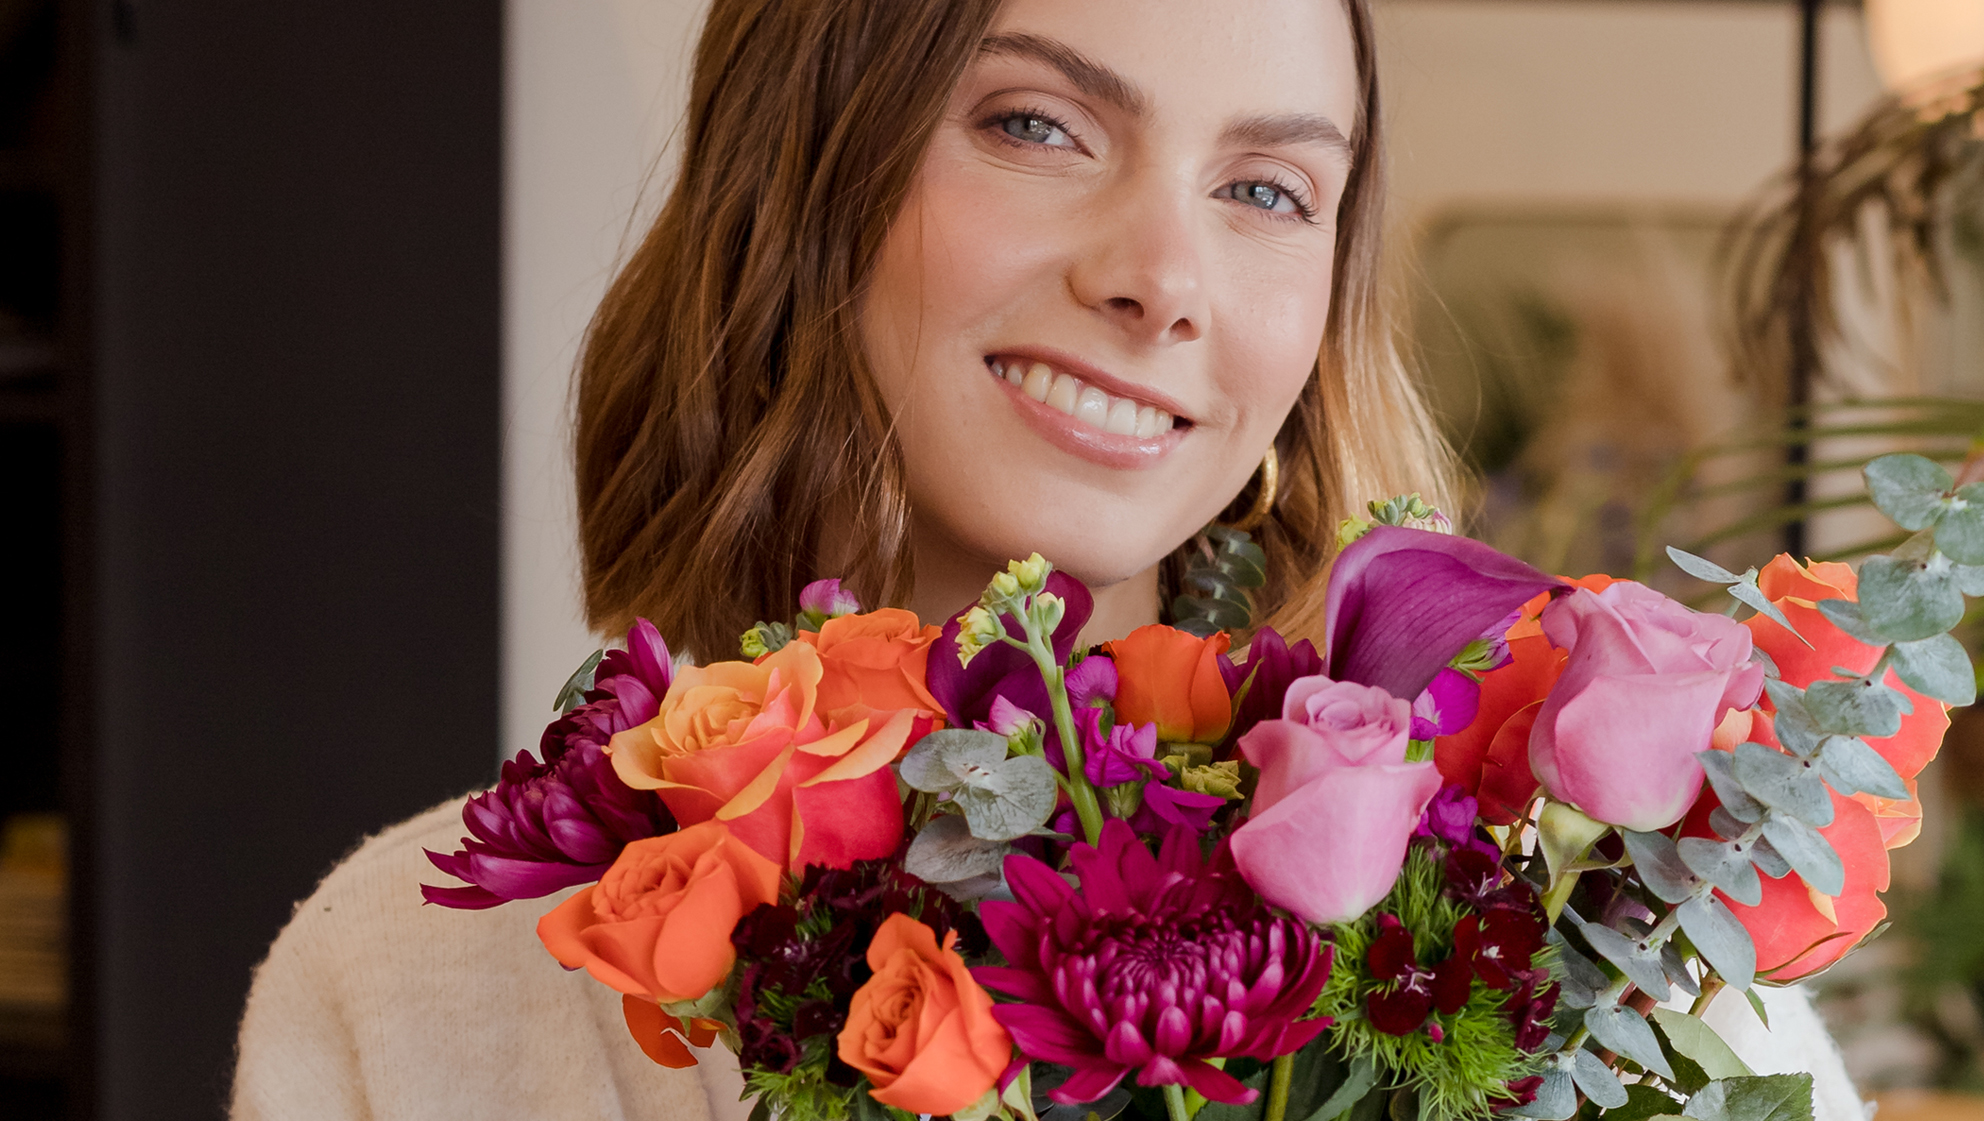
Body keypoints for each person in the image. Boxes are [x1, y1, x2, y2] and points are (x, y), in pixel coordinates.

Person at [230, 1, 1860, 1117]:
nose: (1165, 278)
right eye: (1037, 124)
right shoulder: (407, 990)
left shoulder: (1609, 962)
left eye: (1267, 188)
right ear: (802, 175)